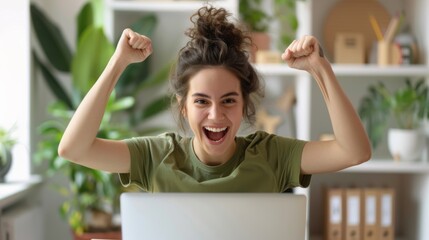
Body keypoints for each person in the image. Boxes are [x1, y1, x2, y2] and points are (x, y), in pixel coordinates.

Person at [58, 6, 371, 192]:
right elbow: (74, 148)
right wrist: (118, 64)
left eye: (229, 100)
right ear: (183, 106)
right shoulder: (155, 156)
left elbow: (353, 151)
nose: (216, 115)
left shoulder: (272, 154)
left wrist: (321, 69)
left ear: (245, 104)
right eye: (201, 101)